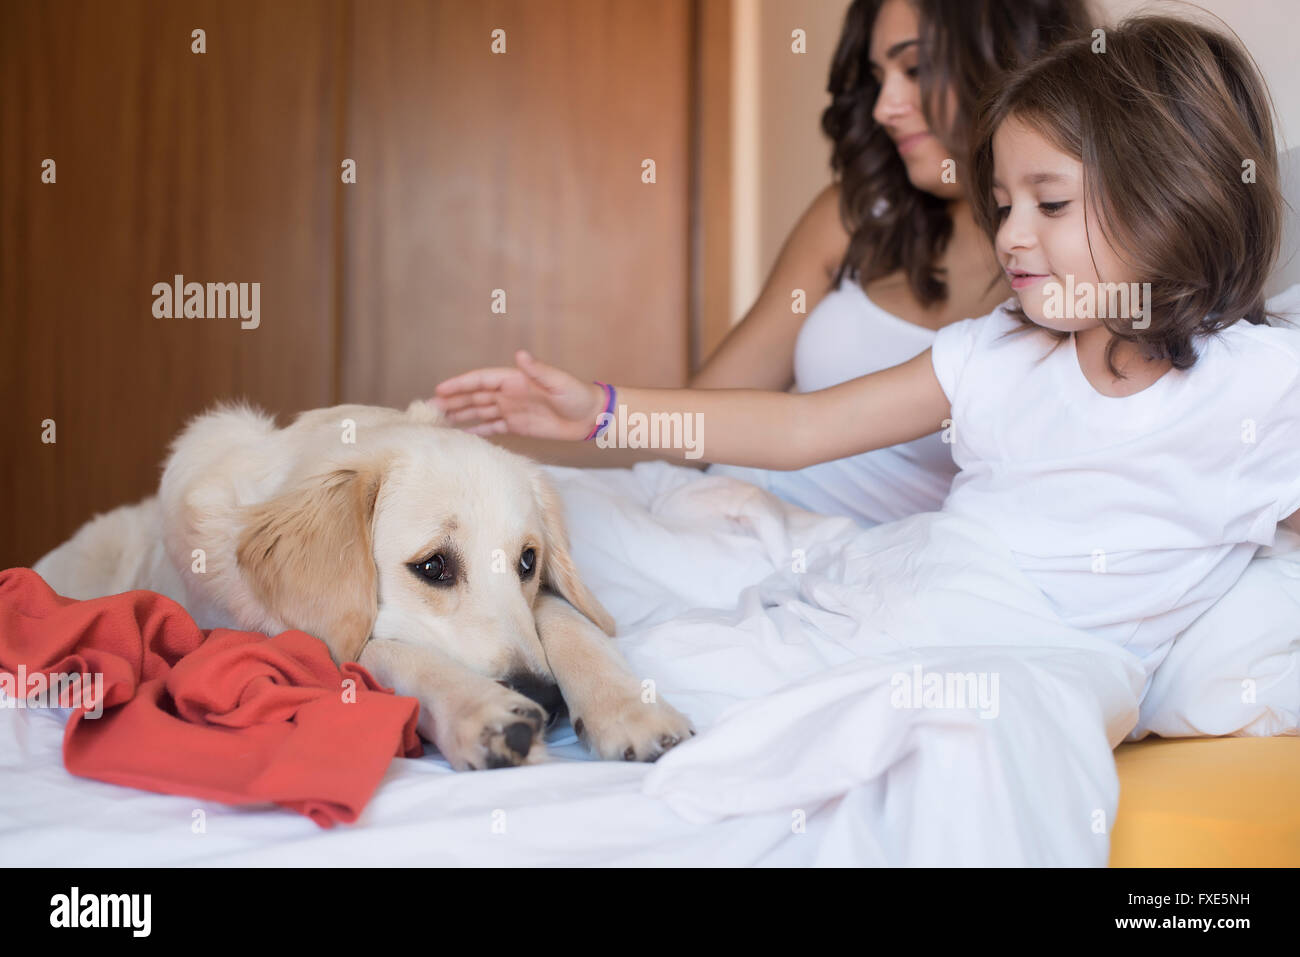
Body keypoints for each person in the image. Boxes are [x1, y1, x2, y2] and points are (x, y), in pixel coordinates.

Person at [430, 15, 1300, 696]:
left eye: (1051, 202)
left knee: (708, 679)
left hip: (1013, 660)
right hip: (913, 592)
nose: (1013, 236)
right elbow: (808, 424)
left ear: (1171, 200)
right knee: (663, 658)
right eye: (1002, 204)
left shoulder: (1255, 386)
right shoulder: (999, 352)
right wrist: (604, 411)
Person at [699, 0, 1090, 526]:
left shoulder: (1087, 270)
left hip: (864, 566)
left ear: (1011, 62)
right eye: (878, 77)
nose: (885, 107)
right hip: (726, 505)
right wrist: (594, 413)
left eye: (917, 69)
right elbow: (707, 414)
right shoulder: (856, 214)